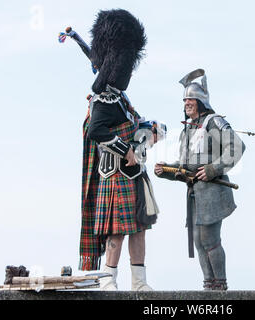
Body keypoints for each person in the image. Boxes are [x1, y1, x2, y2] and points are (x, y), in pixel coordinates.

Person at [79, 9, 158, 291]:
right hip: (115, 173)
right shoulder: (102, 99)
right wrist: (126, 149)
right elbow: (95, 132)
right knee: (116, 232)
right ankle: (107, 282)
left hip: (134, 174)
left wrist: (151, 130)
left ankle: (139, 283)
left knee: (139, 230)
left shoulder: (120, 98)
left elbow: (135, 123)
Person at [154, 69, 245, 290]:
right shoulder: (189, 129)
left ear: (201, 100)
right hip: (195, 193)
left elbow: (237, 147)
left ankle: (220, 286)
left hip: (213, 191)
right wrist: (165, 170)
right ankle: (208, 285)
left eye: (191, 98)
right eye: (185, 99)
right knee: (198, 240)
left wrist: (214, 168)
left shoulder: (213, 123)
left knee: (210, 240)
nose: (187, 103)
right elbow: (186, 168)